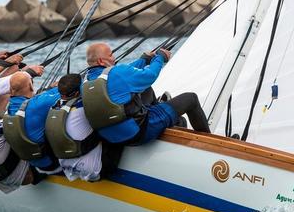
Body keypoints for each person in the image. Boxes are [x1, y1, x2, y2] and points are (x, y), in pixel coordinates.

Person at [82, 42, 210, 146]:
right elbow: (150, 75)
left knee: (145, 89)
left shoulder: (85, 82)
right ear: (100, 61)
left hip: (110, 136)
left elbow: (126, 70)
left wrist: (144, 59)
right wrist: (160, 58)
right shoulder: (119, 72)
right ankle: (209, 145)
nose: (113, 58)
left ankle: (163, 110)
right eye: (110, 55)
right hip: (138, 133)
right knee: (191, 98)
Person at [47, 73, 122, 182]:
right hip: (93, 172)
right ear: (78, 92)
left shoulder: (53, 108)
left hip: (67, 167)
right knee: (113, 129)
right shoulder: (85, 108)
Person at [3, 72, 62, 173]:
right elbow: (67, 89)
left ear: (11, 90)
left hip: (34, 162)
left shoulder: (8, 108)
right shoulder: (37, 105)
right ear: (30, 86)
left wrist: (50, 89)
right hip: (52, 163)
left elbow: (37, 99)